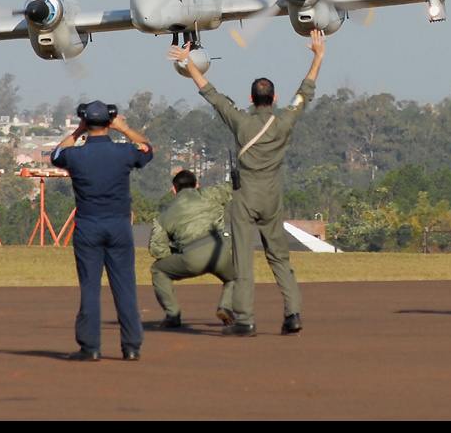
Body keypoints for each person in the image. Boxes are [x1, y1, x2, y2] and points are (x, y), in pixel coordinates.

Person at [167, 29, 326, 337]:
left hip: (245, 196)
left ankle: (246, 319)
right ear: (274, 98)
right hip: (272, 196)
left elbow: (211, 94)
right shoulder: (284, 121)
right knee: (279, 256)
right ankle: (292, 313)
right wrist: (318, 57)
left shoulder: (241, 121)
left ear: (252, 99)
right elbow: (304, 93)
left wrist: (188, 63)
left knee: (243, 258)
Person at [52, 101, 154, 361]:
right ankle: (131, 346)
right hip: (118, 225)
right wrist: (124, 129)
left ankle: (90, 347)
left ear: (86, 122)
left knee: (90, 288)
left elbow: (55, 155)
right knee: (125, 287)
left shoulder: (75, 155)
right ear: (109, 122)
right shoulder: (123, 153)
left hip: (88, 224)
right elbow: (148, 150)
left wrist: (77, 132)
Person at [149, 169, 236, 329]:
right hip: (220, 251)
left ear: (174, 190)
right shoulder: (211, 194)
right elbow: (232, 187)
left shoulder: (165, 215)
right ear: (197, 184)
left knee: (157, 270)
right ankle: (225, 306)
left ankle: (173, 314)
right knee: (234, 278)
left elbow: (157, 249)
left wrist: (176, 252)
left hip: (191, 257)